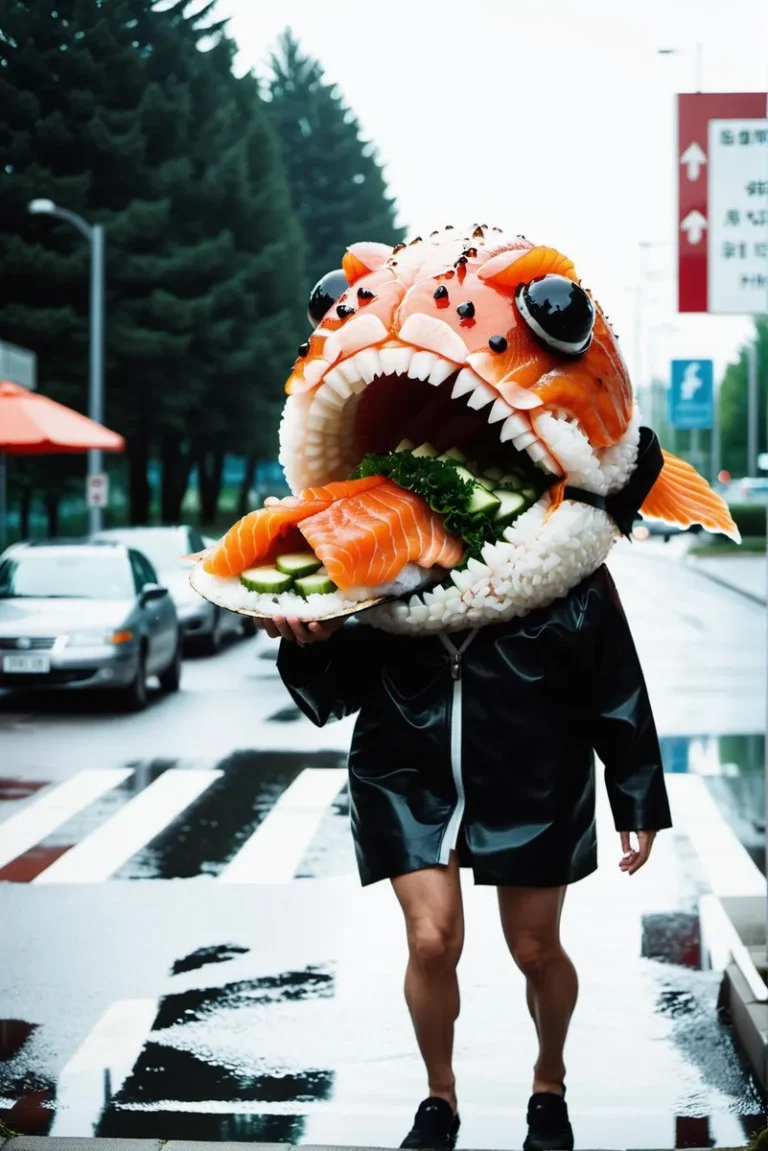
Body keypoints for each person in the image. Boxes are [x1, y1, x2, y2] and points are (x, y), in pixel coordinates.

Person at [257, 564, 672, 1151]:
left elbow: (616, 684)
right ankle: (439, 1098)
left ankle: (549, 1084)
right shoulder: (378, 563)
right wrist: (308, 644)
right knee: (430, 941)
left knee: (535, 949)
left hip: (534, 774)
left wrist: (637, 797)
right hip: (403, 769)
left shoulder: (570, 564)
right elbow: (334, 693)